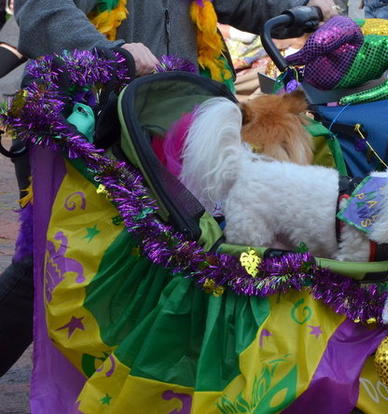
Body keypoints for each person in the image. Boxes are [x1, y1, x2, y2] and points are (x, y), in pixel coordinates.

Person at [0, 0, 337, 377]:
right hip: (83, 120)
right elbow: (42, 10)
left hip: (167, 120)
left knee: (164, 259)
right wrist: (109, 53)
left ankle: (131, 383)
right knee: (51, 261)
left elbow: (241, 4)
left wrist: (303, 10)